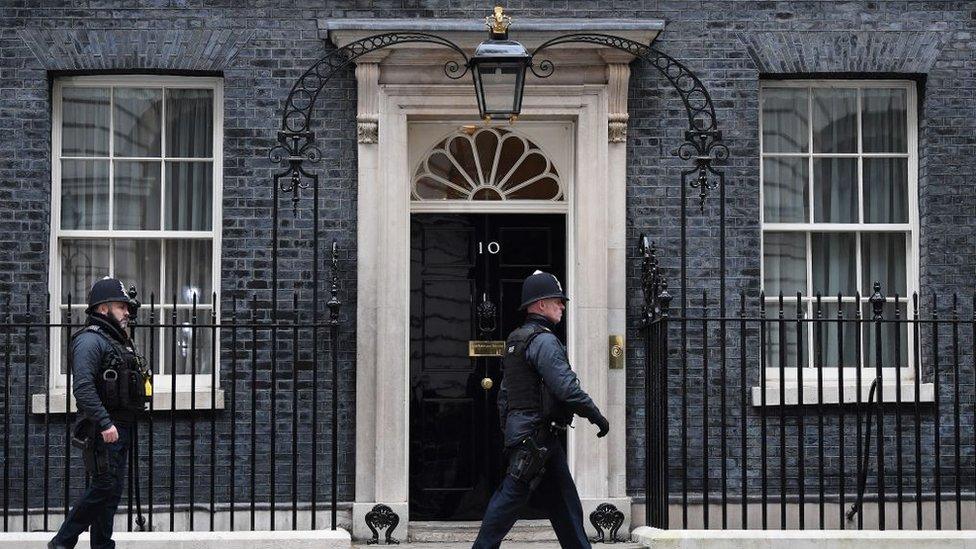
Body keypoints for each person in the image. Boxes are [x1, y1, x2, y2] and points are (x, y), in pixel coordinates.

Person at [473, 270, 610, 549]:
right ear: (539, 305)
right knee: (508, 499)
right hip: (536, 436)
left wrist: (510, 430)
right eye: (557, 300)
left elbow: (504, 395)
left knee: (565, 504)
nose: (562, 305)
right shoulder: (544, 341)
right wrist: (596, 416)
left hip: (535, 437)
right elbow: (566, 388)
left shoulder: (516, 340)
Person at [50, 278, 150, 549]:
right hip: (103, 429)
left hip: (121, 426)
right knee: (103, 488)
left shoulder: (114, 340)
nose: (127, 312)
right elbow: (82, 388)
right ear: (104, 308)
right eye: (121, 307)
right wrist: (105, 423)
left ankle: (102, 546)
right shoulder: (90, 340)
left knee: (111, 493)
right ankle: (61, 543)